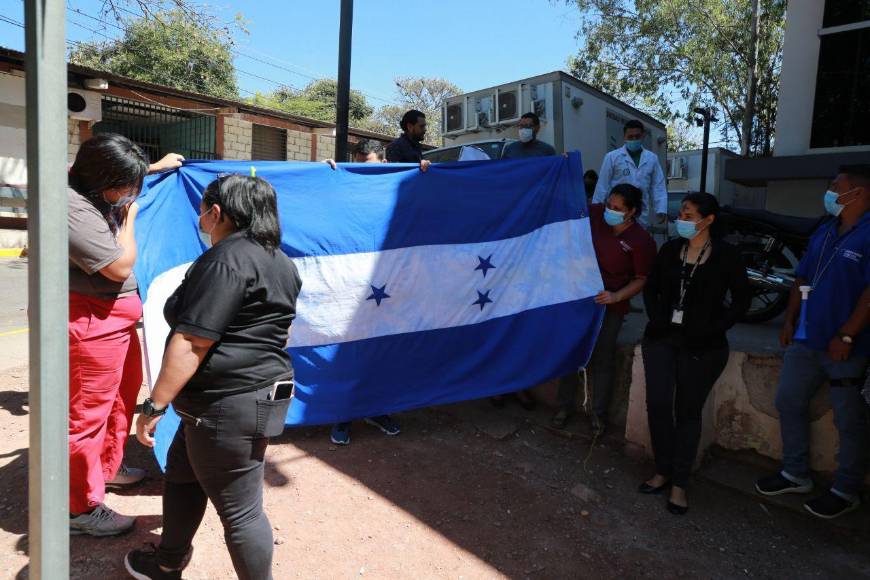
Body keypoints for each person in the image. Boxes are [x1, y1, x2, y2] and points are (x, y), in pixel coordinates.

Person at [124, 174, 302, 579]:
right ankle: (167, 561)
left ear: (217, 212)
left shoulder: (226, 260)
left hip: (226, 404)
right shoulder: (280, 261)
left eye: (203, 211)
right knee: (183, 476)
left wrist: (154, 405)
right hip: (234, 400)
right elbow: (280, 330)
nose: (200, 218)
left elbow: (191, 341)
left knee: (241, 512)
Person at [68, 133, 183, 537]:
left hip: (113, 323)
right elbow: (118, 267)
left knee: (119, 401)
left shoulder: (90, 184)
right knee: (87, 415)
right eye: (127, 185)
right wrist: (131, 218)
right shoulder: (70, 207)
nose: (132, 193)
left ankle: (105, 469)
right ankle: (79, 508)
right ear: (101, 180)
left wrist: (155, 166)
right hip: (90, 326)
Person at [755, 165, 870, 520]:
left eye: (837, 186)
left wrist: (847, 333)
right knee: (788, 401)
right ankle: (795, 473)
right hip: (806, 339)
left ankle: (845, 489)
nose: (830, 191)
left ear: (859, 193)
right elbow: (801, 277)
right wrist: (789, 320)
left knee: (849, 420)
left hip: (845, 345)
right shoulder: (825, 229)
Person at [639, 192, 750, 515]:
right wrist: (658, 317)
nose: (682, 220)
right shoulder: (672, 249)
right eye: (682, 214)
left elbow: (742, 299)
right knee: (658, 405)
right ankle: (662, 470)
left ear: (708, 220)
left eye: (688, 215)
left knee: (687, 411)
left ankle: (679, 484)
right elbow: (651, 287)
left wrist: (714, 328)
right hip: (662, 339)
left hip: (702, 346)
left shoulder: (727, 255)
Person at [552, 184, 656, 435]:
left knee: (603, 358)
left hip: (611, 303)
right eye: (609, 204)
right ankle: (563, 407)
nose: (609, 210)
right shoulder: (597, 214)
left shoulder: (641, 241)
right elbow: (567, 208)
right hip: (580, 297)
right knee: (571, 351)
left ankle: (598, 415)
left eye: (617, 209)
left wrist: (616, 296)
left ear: (631, 212)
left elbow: (642, 278)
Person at [324, 142, 403, 446]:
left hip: (391, 285)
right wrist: (328, 175)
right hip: (351, 285)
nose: (361, 169)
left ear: (384, 163)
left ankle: (378, 410)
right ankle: (343, 414)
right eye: (356, 163)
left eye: (367, 163)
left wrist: (427, 174)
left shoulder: (400, 183)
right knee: (348, 351)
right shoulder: (347, 184)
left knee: (383, 352)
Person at [592, 120, 667, 228]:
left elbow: (658, 185)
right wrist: (595, 210)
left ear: (643, 136)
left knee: (637, 241)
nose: (634, 139)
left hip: (640, 213)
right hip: (617, 212)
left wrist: (661, 209)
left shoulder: (652, 158)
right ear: (624, 137)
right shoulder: (612, 157)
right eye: (630, 137)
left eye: (637, 136)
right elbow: (602, 186)